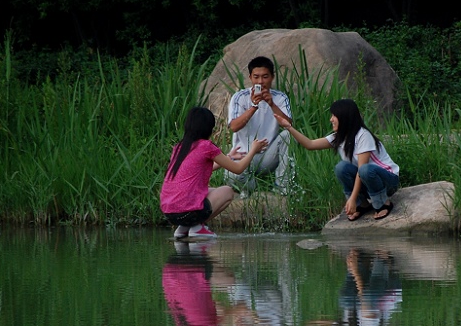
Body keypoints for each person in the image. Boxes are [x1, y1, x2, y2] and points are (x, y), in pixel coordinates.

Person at [274, 98, 399, 220]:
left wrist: (352, 198)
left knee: (365, 169)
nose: (331, 119)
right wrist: (288, 127)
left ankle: (382, 203)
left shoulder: (363, 136)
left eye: (334, 116)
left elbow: (362, 170)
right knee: (341, 168)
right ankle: (362, 204)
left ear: (345, 117)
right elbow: (310, 145)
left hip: (388, 181)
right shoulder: (339, 137)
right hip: (367, 181)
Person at [160, 106, 268, 240]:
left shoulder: (180, 147)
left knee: (206, 191)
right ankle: (197, 227)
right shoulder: (206, 146)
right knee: (227, 191)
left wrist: (228, 157)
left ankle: (183, 228)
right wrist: (253, 150)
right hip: (187, 211)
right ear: (208, 129)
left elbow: (197, 170)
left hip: (169, 212)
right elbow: (238, 169)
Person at [225, 56, 294, 196]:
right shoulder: (240, 97)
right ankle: (252, 189)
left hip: (267, 156)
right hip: (243, 155)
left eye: (265, 77)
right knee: (231, 175)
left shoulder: (280, 97)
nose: (260, 82)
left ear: (272, 77)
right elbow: (234, 127)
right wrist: (254, 106)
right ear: (250, 77)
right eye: (256, 77)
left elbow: (288, 125)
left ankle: (283, 188)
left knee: (289, 136)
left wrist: (271, 104)